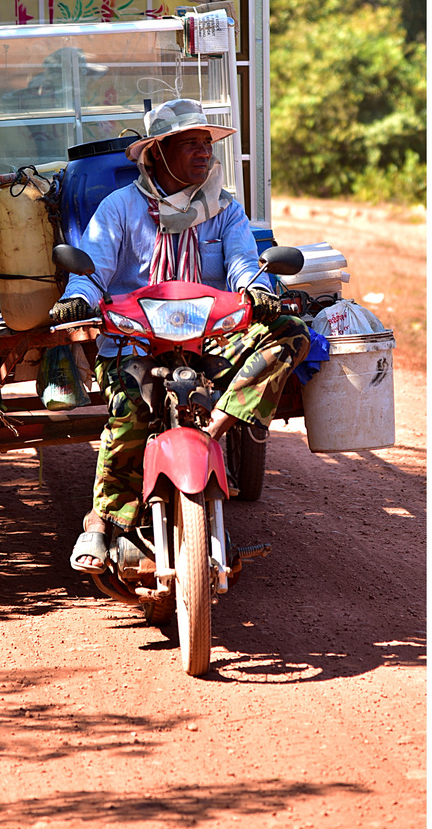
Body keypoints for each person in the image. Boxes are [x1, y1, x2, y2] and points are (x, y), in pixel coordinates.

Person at [49, 98, 310, 572]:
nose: (203, 154)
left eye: (206, 145)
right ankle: (100, 522)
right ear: (157, 154)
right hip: (136, 340)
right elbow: (93, 271)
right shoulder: (120, 208)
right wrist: (79, 298)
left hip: (209, 340)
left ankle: (214, 433)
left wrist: (257, 290)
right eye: (190, 144)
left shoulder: (224, 210)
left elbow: (244, 266)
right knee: (130, 409)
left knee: (289, 333)